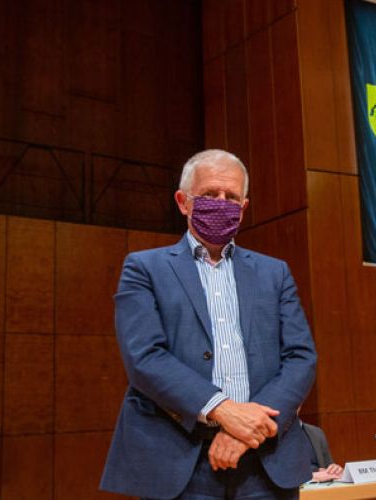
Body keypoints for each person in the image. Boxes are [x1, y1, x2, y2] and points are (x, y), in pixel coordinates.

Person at [100, 149, 317, 499]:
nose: (222, 203)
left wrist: (243, 431)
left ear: (244, 208)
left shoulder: (274, 272)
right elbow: (144, 357)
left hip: (265, 462)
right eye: (209, 195)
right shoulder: (143, 269)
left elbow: (300, 357)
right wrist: (223, 410)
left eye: (232, 197)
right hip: (180, 463)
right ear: (183, 202)